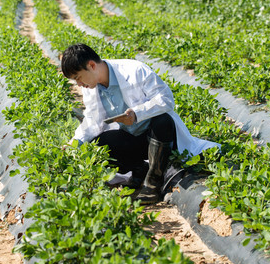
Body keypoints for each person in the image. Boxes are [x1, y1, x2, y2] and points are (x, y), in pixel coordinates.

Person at [61, 43, 219, 204]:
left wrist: (138, 113)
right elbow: (93, 121)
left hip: (161, 139)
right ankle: (140, 170)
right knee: (100, 143)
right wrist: (74, 143)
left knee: (162, 121)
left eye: (78, 78)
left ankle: (153, 185)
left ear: (92, 65)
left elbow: (165, 99)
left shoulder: (134, 70)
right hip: (135, 139)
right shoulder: (91, 87)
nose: (79, 84)